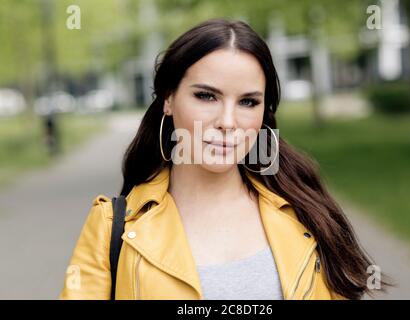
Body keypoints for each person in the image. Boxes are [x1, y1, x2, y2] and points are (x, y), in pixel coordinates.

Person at [60, 18, 390, 300]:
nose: (227, 121)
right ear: (169, 100)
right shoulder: (111, 227)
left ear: (264, 113)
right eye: (206, 96)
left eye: (248, 102)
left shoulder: (305, 213)